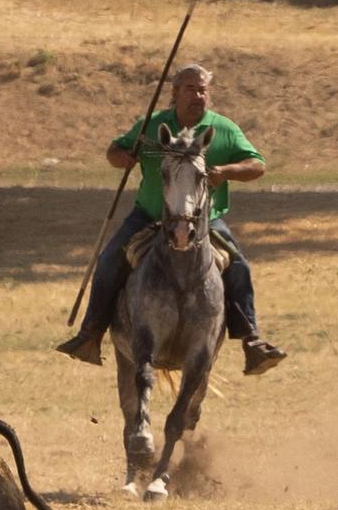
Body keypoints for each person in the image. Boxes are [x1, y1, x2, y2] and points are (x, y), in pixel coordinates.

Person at [57, 63, 286, 377]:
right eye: (190, 89)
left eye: (203, 89)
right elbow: (116, 150)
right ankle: (90, 334)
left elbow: (257, 164)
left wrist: (227, 172)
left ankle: (252, 341)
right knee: (110, 257)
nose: (198, 95)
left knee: (239, 266)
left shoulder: (224, 129)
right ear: (175, 93)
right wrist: (123, 158)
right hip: (149, 215)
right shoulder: (152, 125)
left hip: (204, 221)